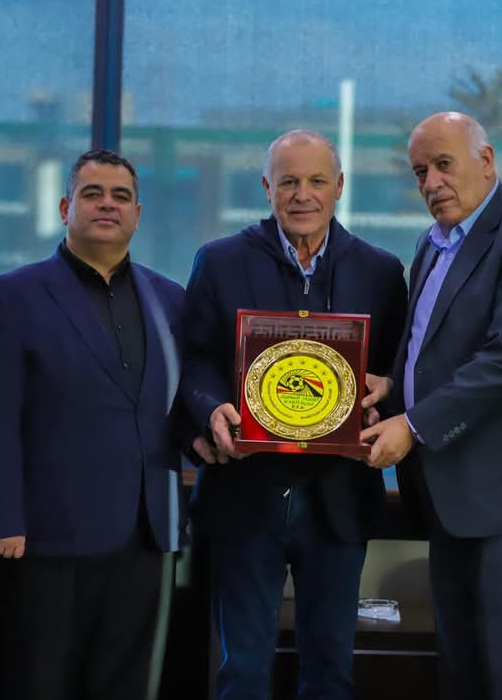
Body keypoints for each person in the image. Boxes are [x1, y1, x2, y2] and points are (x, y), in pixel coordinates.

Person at [361, 111, 502, 700]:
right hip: (447, 500)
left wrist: (413, 424)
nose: (431, 182)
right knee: (461, 674)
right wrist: (393, 386)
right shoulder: (432, 243)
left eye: (443, 164)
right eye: (419, 172)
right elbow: (430, 345)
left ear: (486, 161)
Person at [182, 129, 407, 699]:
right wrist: (209, 410)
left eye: (316, 181)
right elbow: (193, 362)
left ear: (339, 186)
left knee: (331, 669)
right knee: (241, 670)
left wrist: (385, 397)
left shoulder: (381, 271)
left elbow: (399, 372)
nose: (302, 195)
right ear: (266, 188)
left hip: (339, 500)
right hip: (244, 495)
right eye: (288, 182)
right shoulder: (219, 261)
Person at [0, 149, 186, 700]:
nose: (107, 205)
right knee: (38, 682)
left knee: (125, 685)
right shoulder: (11, 297)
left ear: (138, 214)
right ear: (66, 208)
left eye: (120, 196)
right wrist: (1, 518)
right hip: (44, 536)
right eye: (92, 194)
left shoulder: (170, 300)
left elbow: (180, 402)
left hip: (144, 533)